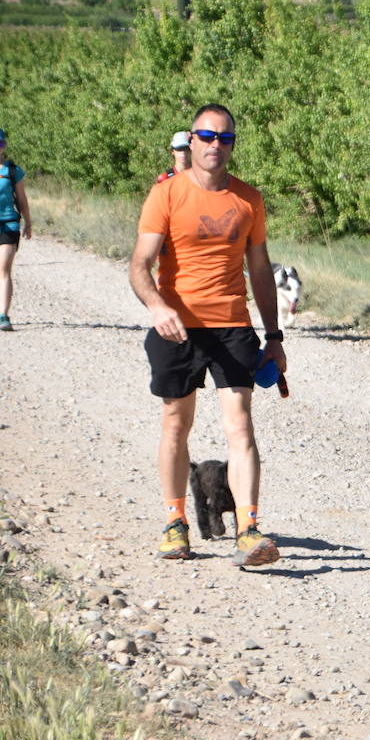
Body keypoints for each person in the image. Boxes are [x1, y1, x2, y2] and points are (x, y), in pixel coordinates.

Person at [129, 104, 285, 568]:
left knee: (240, 426)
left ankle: (248, 529)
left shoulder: (248, 200)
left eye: (226, 138)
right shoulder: (167, 195)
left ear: (233, 144)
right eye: (207, 136)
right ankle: (175, 523)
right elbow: (139, 265)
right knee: (177, 423)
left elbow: (260, 270)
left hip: (233, 325)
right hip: (177, 327)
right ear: (191, 142)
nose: (216, 144)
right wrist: (158, 307)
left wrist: (274, 335)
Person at [0, 128, 32, 332]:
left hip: (9, 223)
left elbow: (21, 199)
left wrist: (28, 222)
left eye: (1, 144)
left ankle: (3, 314)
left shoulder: (13, 171)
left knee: (3, 269)